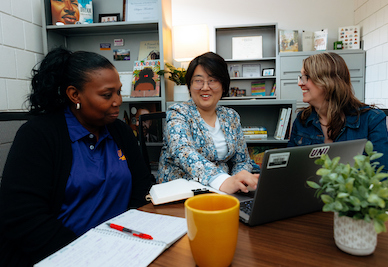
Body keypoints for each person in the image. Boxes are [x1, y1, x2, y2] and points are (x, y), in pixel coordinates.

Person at [0, 47, 152, 266]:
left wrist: (124, 238)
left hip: (120, 248)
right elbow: (24, 218)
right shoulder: (38, 135)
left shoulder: (121, 131)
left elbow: (141, 185)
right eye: (107, 95)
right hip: (61, 254)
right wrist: (86, 253)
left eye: (119, 92)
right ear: (74, 95)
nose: (118, 101)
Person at [157, 52, 259, 194]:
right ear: (190, 85)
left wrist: (238, 182)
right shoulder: (178, 113)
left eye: (212, 80)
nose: (205, 87)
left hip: (223, 193)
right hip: (181, 195)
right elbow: (183, 152)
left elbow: (241, 160)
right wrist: (223, 181)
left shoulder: (231, 116)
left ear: (223, 86)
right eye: (198, 80)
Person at [288, 52, 388, 175]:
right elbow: (291, 170)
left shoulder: (371, 120)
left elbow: (385, 175)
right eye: (300, 77)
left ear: (327, 81)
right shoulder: (302, 120)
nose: (300, 83)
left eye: (306, 77)